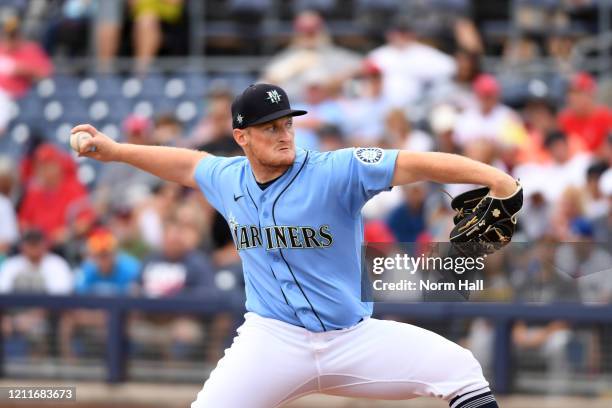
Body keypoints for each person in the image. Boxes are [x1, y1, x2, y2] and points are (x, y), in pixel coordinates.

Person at [72, 83, 518, 408]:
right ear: (241, 137)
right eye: (269, 128)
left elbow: (415, 163)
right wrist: (115, 151)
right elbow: (186, 165)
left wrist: (494, 178)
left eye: (287, 124)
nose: (284, 134)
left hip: (352, 337)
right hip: (271, 339)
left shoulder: (335, 170)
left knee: (461, 371)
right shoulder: (228, 178)